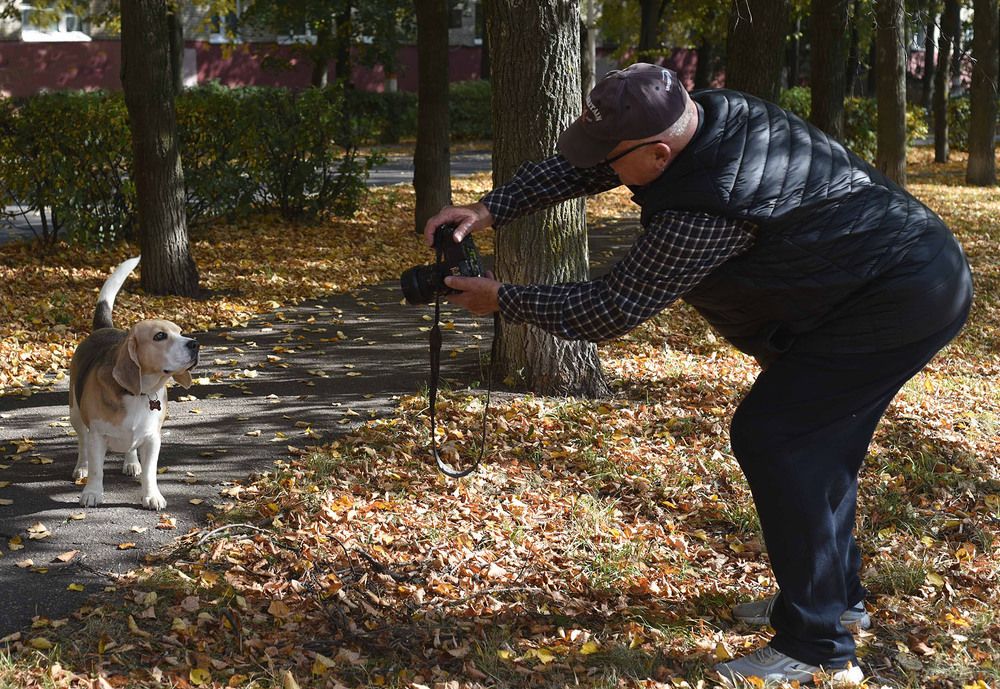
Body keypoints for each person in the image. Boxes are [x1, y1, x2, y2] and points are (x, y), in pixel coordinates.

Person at [422, 63, 973, 685]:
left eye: (615, 158)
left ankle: (818, 644)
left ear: (659, 153)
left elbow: (612, 308)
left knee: (780, 438)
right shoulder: (700, 114)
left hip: (895, 298)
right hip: (878, 280)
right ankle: (827, 602)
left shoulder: (708, 207)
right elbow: (583, 166)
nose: (602, 168)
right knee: (818, 446)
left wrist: (505, 300)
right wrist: (489, 208)